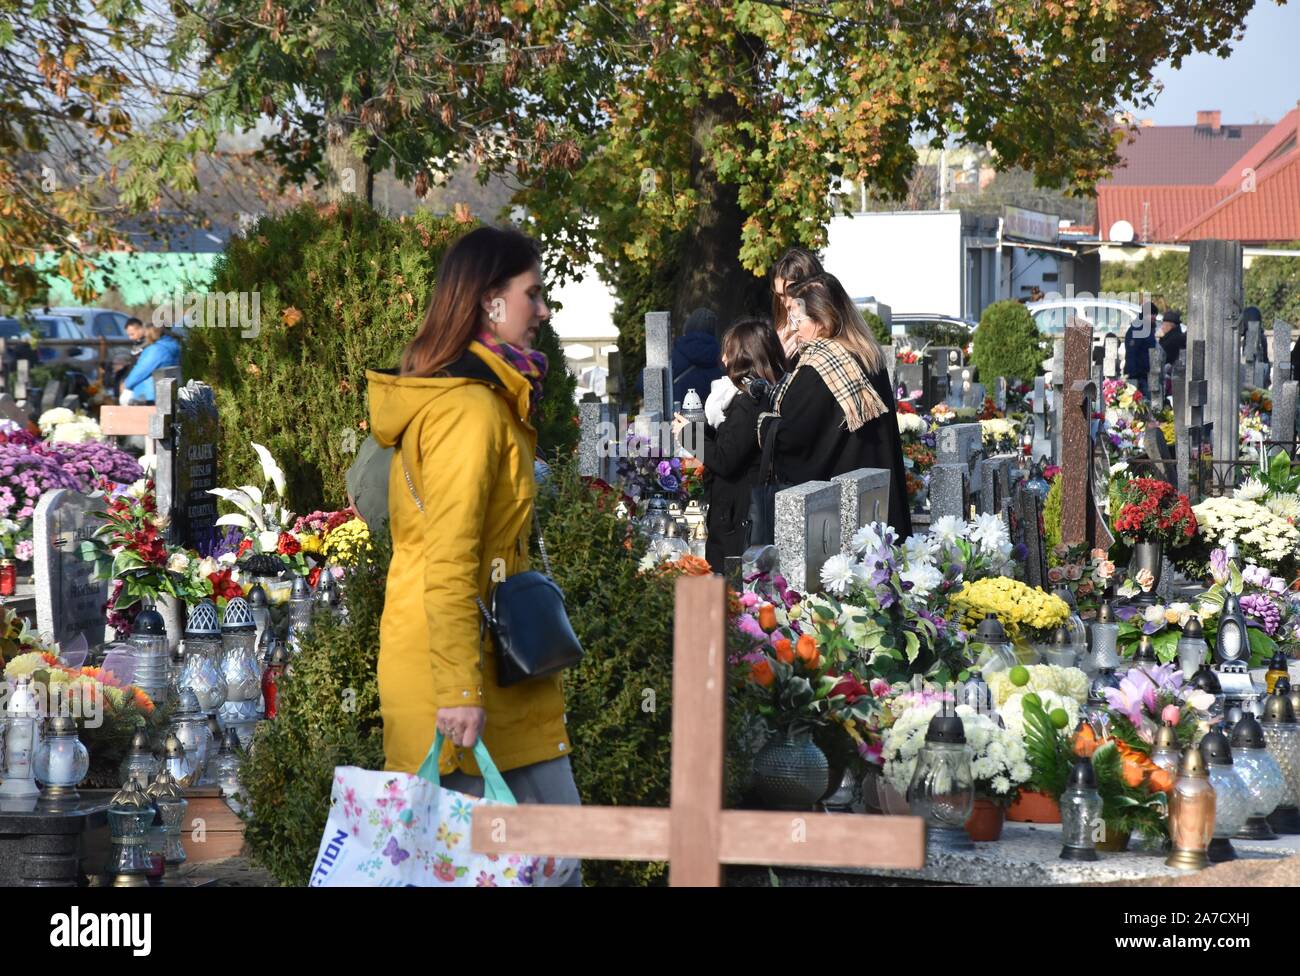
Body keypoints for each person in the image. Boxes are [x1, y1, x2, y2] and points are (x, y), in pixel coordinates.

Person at [366, 227, 582, 872]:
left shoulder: (485, 399)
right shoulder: (469, 411)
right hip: (459, 674)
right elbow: (451, 557)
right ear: (490, 301)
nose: (542, 310)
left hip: (488, 665)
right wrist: (459, 687)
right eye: (532, 294)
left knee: (543, 858)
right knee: (524, 862)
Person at [760, 271, 913, 540]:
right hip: (878, 502)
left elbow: (792, 441)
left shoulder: (818, 366)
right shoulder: (869, 356)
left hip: (836, 519)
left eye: (799, 319)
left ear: (822, 319)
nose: (795, 328)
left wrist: (764, 420)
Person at [672, 318, 786, 569]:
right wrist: (696, 430)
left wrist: (688, 435)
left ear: (744, 355)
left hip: (738, 513)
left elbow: (726, 460)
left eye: (729, 352)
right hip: (735, 508)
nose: (724, 359)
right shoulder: (753, 395)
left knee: (731, 586)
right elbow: (731, 439)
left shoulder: (749, 401)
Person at [771, 246, 824, 362]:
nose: (788, 303)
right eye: (781, 295)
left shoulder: (829, 331)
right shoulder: (780, 333)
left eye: (792, 293)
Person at [118, 322, 181, 405]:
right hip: (165, 392)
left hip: (148, 395)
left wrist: (126, 384)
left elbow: (141, 370)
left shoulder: (156, 350)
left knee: (124, 398)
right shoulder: (173, 345)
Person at [670, 307, 724, 403]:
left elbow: (644, 385)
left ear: (688, 325)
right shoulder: (721, 359)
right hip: (707, 414)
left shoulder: (674, 354)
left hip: (675, 414)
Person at [1123, 302, 1158, 397]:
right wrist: (1133, 374)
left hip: (1145, 374)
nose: (1154, 317)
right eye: (1152, 314)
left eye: (1155, 315)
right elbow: (1132, 353)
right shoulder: (1138, 329)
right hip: (1138, 375)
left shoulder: (1147, 329)